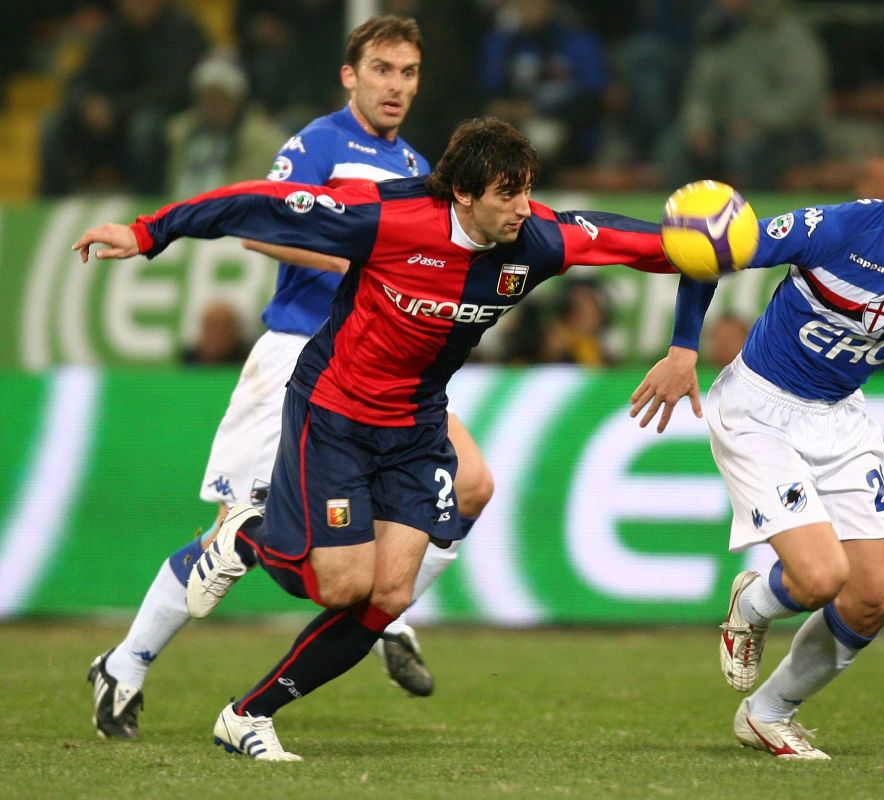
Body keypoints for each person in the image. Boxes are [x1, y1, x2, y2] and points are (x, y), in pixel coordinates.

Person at [73, 115, 676, 761]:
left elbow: (643, 243)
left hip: (416, 426)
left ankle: (249, 716)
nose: (525, 209)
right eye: (510, 194)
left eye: (529, 190)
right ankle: (247, 532)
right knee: (340, 586)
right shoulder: (388, 216)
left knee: (388, 595)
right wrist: (147, 231)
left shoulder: (539, 240)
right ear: (464, 195)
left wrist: (727, 246)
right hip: (335, 413)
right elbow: (256, 205)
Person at [82, 15, 479, 742]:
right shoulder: (321, 143)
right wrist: (355, 261)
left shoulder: (422, 165)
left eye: (409, 73)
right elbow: (259, 223)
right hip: (299, 355)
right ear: (350, 75)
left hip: (383, 373)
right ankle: (126, 664)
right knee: (229, 545)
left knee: (474, 483)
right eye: (383, 70)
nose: (396, 86)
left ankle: (386, 610)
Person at [630, 121, 884, 760]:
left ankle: (768, 712)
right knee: (819, 577)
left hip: (841, 416)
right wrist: (683, 348)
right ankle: (753, 604)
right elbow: (714, 250)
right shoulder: (836, 228)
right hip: (758, 409)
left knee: (874, 600)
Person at [38, 0, 210, 196]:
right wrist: (86, 102)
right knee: (52, 125)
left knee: (145, 126)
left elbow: (177, 89)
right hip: (111, 121)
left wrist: (116, 108)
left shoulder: (183, 30)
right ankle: (53, 205)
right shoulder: (111, 32)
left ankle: (148, 204)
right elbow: (82, 78)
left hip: (166, 117)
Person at [657, 0, 830, 191]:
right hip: (726, 131)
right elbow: (700, 91)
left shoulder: (788, 34)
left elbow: (802, 95)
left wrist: (755, 122)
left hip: (787, 134)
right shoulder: (717, 32)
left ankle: (761, 216)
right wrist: (699, 125)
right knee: (674, 148)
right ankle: (687, 214)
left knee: (748, 150)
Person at [478, 0, 609, 182]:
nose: (532, 8)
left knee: (544, 136)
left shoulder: (578, 41)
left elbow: (593, 99)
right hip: (514, 132)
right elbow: (489, 96)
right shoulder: (500, 44)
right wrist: (507, 110)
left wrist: (540, 112)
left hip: (570, 134)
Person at [164, 53, 289, 198]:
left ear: (236, 101)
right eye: (207, 99)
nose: (213, 107)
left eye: (220, 99)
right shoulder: (181, 134)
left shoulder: (263, 142)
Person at [181, 301, 252, 366]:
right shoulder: (188, 361)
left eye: (222, 327)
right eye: (210, 326)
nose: (215, 334)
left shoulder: (249, 360)